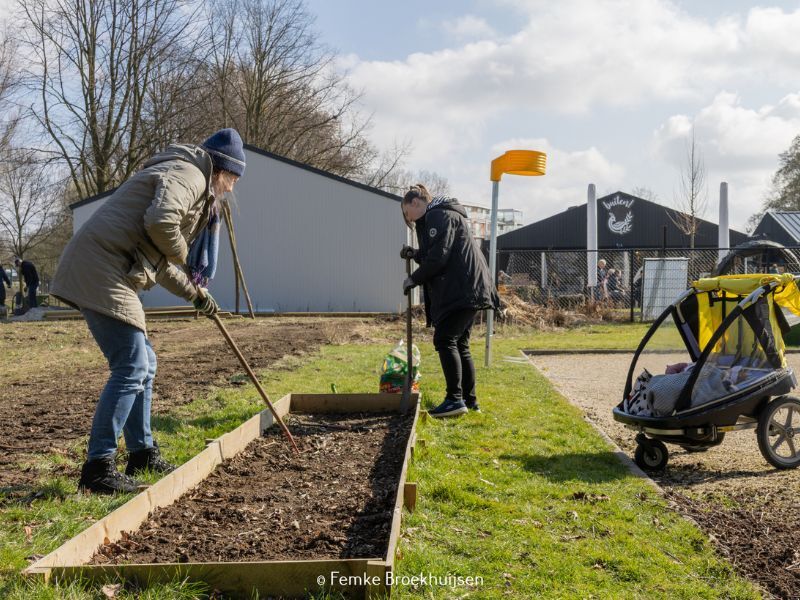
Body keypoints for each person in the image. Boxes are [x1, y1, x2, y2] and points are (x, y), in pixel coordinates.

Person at [51, 128, 245, 494]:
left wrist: (195, 294)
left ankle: (141, 452)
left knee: (145, 362)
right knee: (132, 364)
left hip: (109, 266)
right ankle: (98, 469)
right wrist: (188, 259)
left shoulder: (190, 177)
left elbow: (160, 258)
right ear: (221, 170)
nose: (231, 188)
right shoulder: (189, 174)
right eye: (232, 178)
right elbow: (161, 223)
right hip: (101, 266)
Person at [400, 184, 499, 418]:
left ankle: (455, 400)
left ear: (415, 202)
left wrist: (413, 279)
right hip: (471, 287)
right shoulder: (446, 214)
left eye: (407, 213)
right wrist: (414, 254)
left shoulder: (438, 215)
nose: (409, 219)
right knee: (460, 344)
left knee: (445, 340)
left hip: (462, 289)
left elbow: (438, 257)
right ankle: (469, 400)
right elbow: (437, 250)